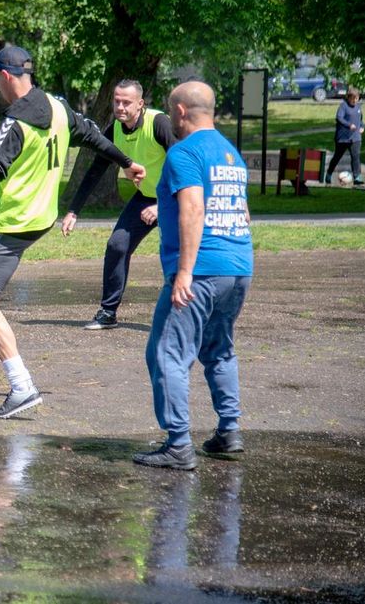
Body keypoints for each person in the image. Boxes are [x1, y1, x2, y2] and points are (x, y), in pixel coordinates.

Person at [0, 46, 145, 420]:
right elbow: (95, 136)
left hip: (14, 221)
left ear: (5, 76)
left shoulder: (13, 123)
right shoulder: (58, 107)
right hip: (33, 212)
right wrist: (127, 162)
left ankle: (22, 387)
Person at [133, 80, 253, 470]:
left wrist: (184, 271)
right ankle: (229, 432)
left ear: (181, 112)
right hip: (238, 267)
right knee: (219, 348)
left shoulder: (184, 153)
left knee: (166, 352)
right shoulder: (230, 154)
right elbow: (243, 213)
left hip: (201, 270)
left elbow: (192, 210)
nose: (170, 119)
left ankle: (178, 443)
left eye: (171, 112)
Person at [61, 79, 176, 329]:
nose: (120, 107)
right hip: (145, 197)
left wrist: (163, 204)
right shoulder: (114, 129)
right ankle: (108, 312)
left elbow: (183, 165)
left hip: (176, 198)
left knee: (179, 255)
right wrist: (73, 210)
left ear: (140, 104)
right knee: (117, 245)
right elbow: (95, 171)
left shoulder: (159, 123)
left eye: (126, 102)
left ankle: (187, 316)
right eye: (117, 101)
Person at [325, 86, 365, 186]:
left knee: (355, 157)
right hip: (343, 138)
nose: (355, 100)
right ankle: (329, 173)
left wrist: (362, 127)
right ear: (348, 97)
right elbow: (339, 118)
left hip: (355, 137)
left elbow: (361, 120)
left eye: (356, 98)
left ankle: (357, 177)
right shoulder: (343, 106)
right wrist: (349, 125)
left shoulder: (358, 107)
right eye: (353, 98)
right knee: (337, 157)